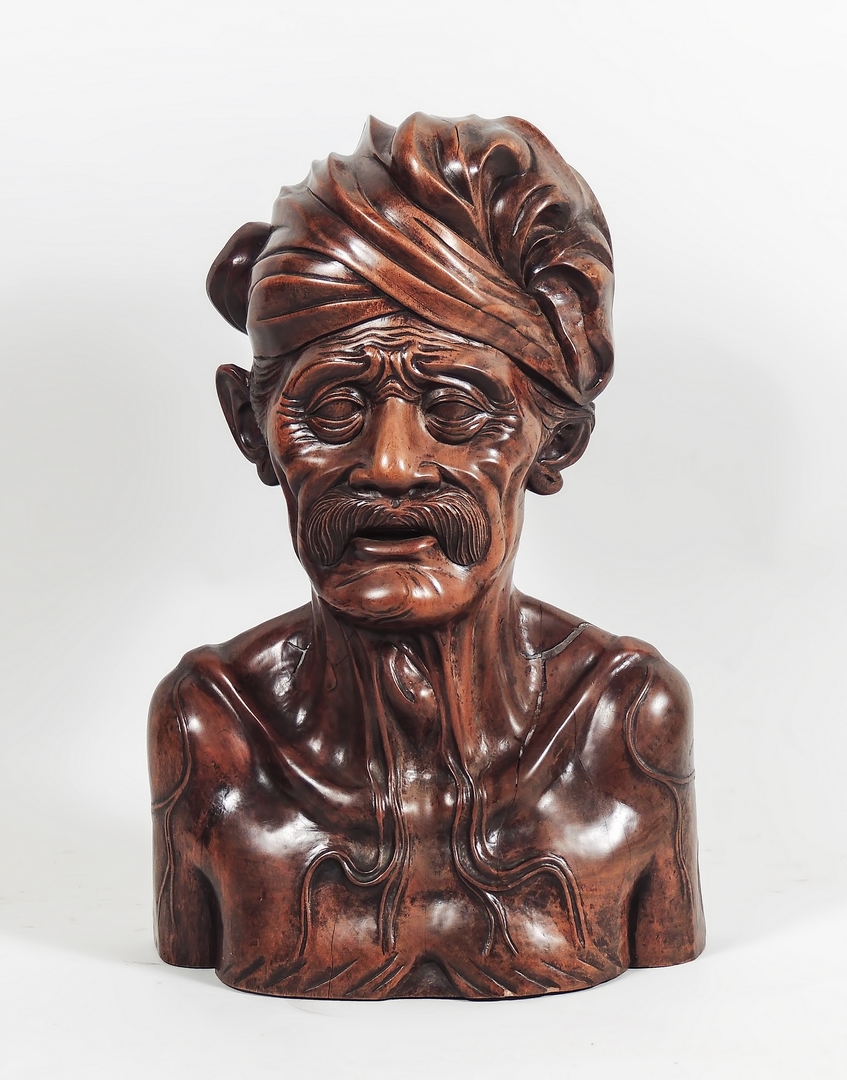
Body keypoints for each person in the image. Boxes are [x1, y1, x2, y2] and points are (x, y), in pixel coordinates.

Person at [149, 113, 705, 1000]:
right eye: (334, 406)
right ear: (250, 428)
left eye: (454, 407)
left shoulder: (626, 720)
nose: (391, 465)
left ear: (556, 441)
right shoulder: (212, 726)